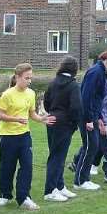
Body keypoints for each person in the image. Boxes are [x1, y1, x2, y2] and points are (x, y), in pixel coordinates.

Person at [0, 63, 56, 210]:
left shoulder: (31, 93)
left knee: (27, 166)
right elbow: (0, 115)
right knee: (7, 167)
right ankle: (5, 195)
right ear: (17, 77)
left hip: (24, 136)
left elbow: (31, 114)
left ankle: (24, 197)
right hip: (8, 136)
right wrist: (15, 119)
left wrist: (42, 119)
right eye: (26, 78)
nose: (29, 81)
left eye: (30, 78)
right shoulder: (7, 94)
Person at [72, 49, 107, 190]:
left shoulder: (103, 72)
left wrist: (99, 118)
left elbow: (98, 99)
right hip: (86, 116)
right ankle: (80, 181)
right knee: (90, 146)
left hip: (93, 115)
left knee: (92, 146)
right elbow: (86, 96)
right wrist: (89, 119)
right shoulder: (96, 72)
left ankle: (83, 178)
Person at [43, 56, 82, 202]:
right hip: (65, 123)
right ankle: (50, 191)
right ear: (74, 69)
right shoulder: (73, 85)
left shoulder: (53, 82)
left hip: (52, 121)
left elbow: (46, 102)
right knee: (57, 157)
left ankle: (59, 186)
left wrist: (53, 113)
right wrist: (74, 123)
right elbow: (76, 107)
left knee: (57, 155)